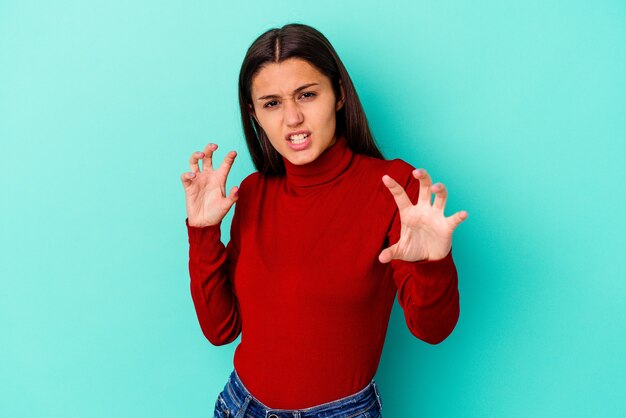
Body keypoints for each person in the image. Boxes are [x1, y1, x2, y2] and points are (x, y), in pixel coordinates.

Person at [181, 23, 468, 418]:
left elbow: (432, 330)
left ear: (338, 95)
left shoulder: (393, 187)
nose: (293, 118)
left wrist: (432, 264)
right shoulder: (251, 193)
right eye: (272, 103)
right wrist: (203, 233)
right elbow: (221, 330)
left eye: (307, 95)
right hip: (240, 406)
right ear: (254, 114)